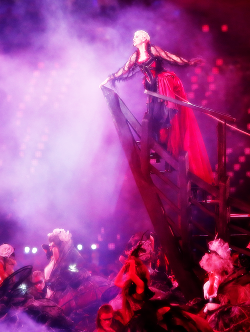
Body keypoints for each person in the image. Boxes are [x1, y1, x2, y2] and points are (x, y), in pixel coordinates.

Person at [100, 30, 214, 184]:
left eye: (136, 37)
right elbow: (125, 69)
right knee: (154, 119)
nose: (133, 39)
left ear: (144, 39)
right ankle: (163, 148)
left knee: (164, 117)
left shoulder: (152, 50)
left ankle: (166, 149)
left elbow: (170, 57)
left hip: (163, 84)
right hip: (152, 89)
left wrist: (189, 62)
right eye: (134, 36)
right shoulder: (135, 56)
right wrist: (110, 77)